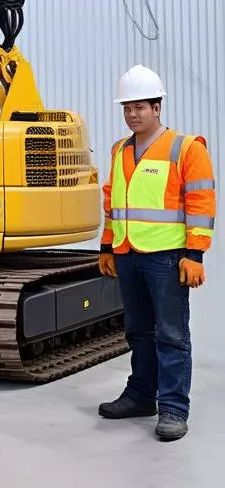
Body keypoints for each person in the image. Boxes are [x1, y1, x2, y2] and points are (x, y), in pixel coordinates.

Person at [97, 65, 215, 441]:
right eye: (127, 108)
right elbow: (113, 204)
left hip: (167, 257)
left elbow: (201, 202)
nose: (133, 115)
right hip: (129, 253)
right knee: (138, 332)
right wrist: (107, 246)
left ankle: (174, 409)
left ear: (157, 107)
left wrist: (194, 254)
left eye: (140, 107)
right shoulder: (119, 150)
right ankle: (141, 396)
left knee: (171, 334)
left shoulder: (186, 148)